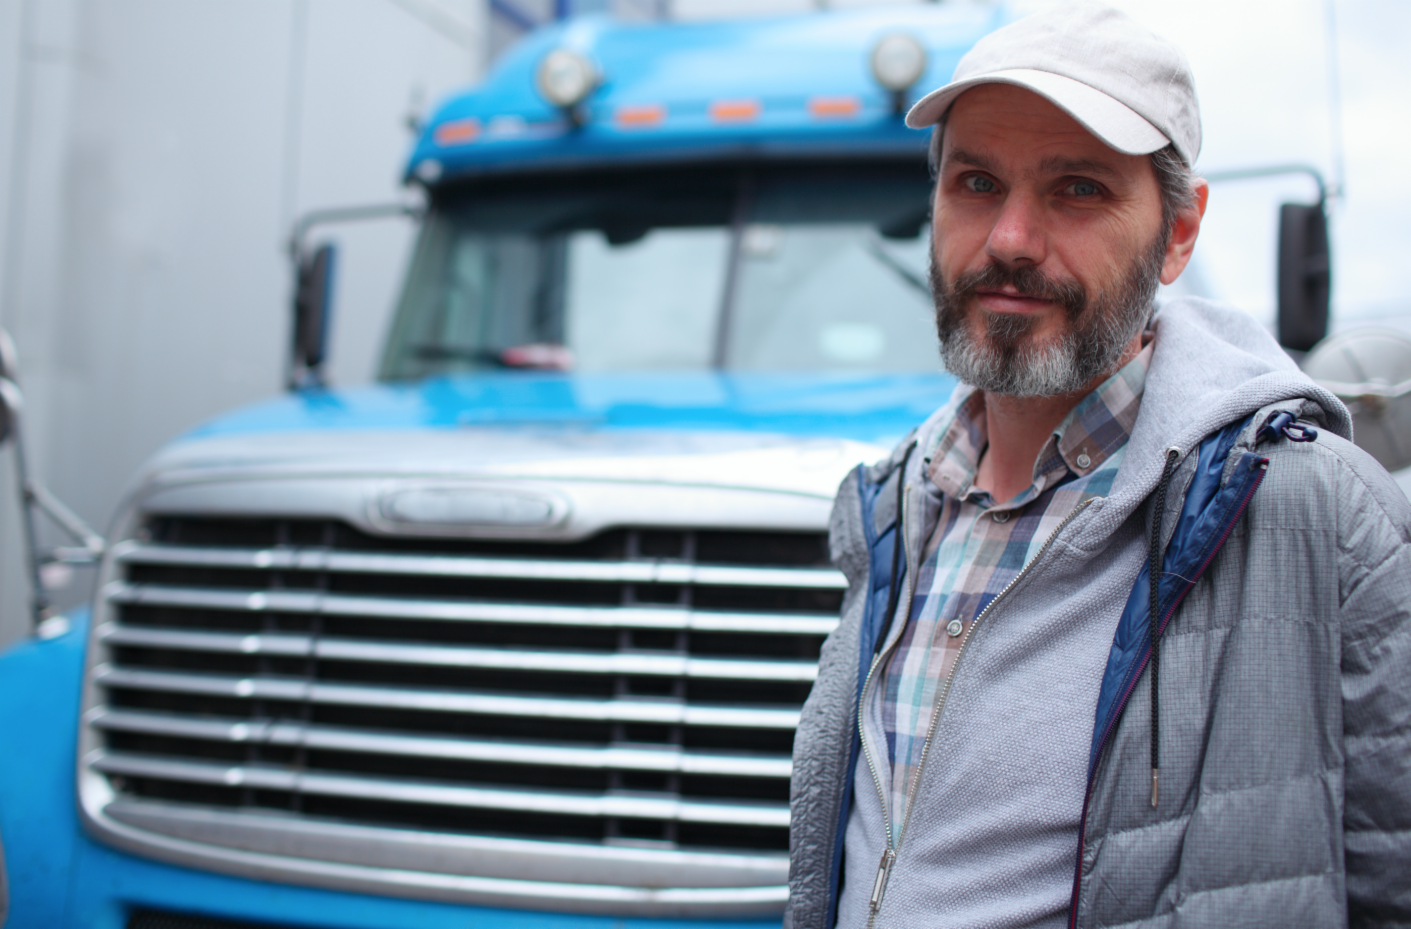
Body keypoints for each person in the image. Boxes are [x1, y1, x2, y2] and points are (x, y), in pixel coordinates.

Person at [786, 4, 1411, 928]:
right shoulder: (893, 509)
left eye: (1076, 189)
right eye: (975, 182)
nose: (1008, 239)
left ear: (1180, 231)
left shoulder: (1314, 512)